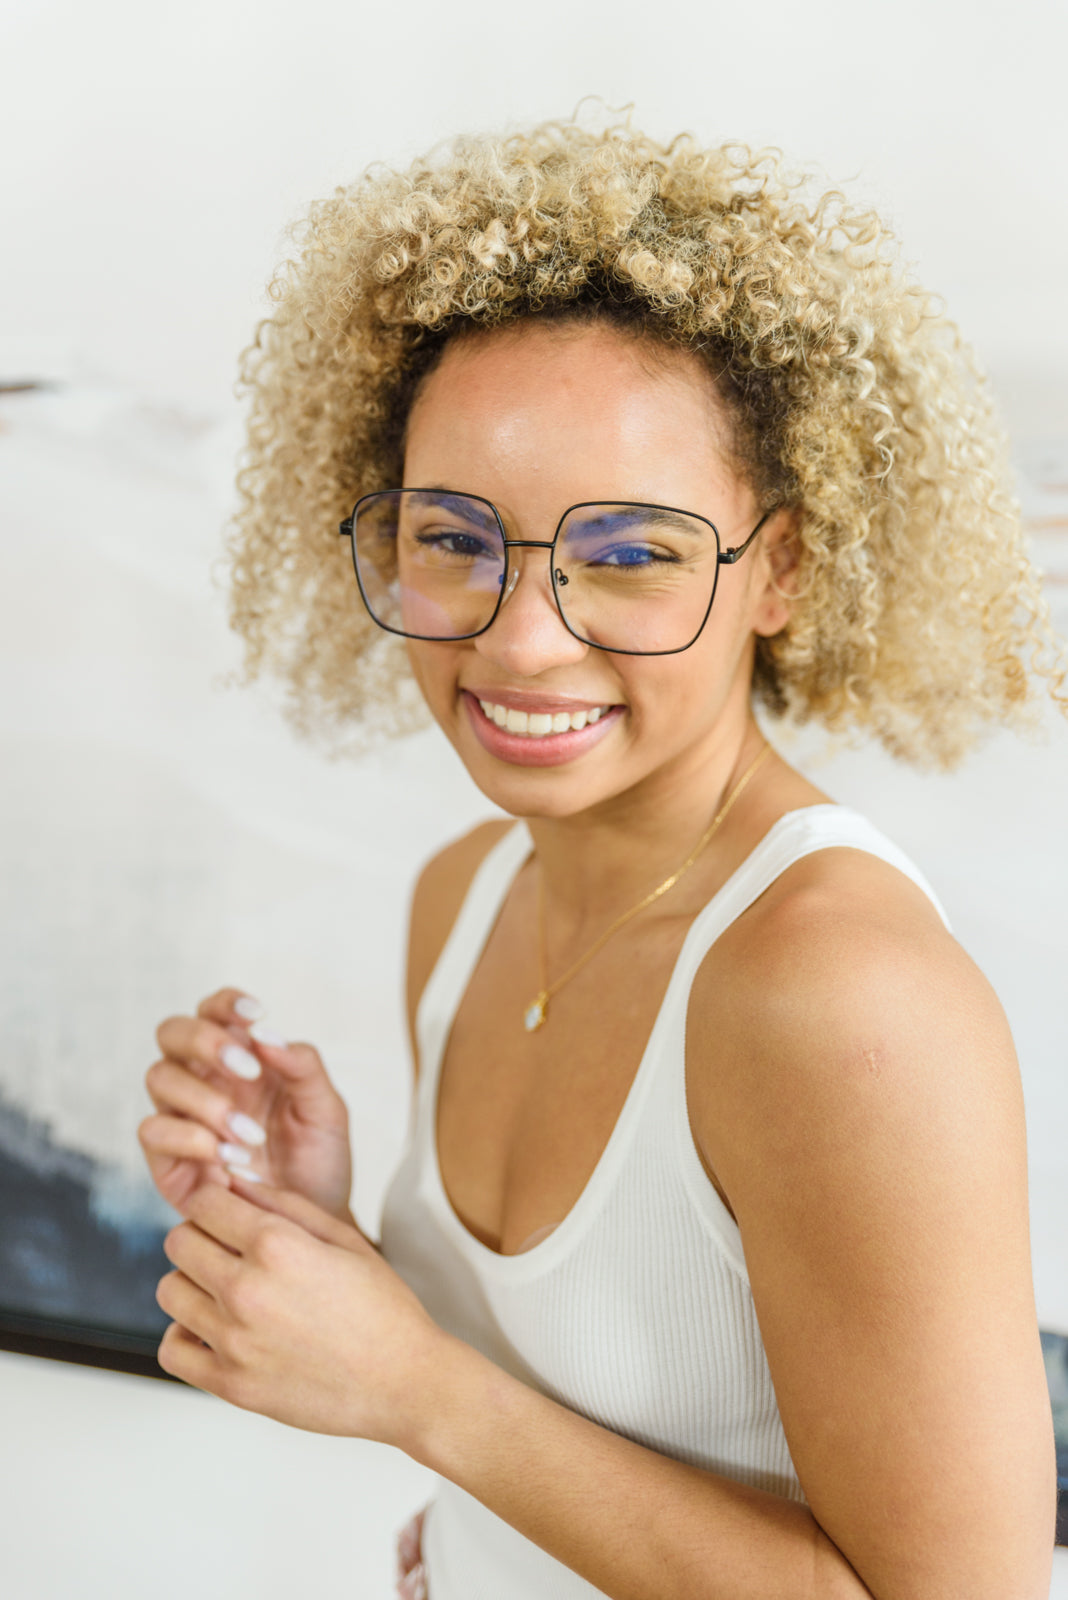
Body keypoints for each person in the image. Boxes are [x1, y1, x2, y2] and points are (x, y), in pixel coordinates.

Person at [138, 117, 1063, 1600]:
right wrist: (315, 1238)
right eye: (454, 539)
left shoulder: (840, 997)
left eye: (629, 555)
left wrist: (422, 1390)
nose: (519, 641)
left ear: (781, 569)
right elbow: (584, 1416)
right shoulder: (464, 895)